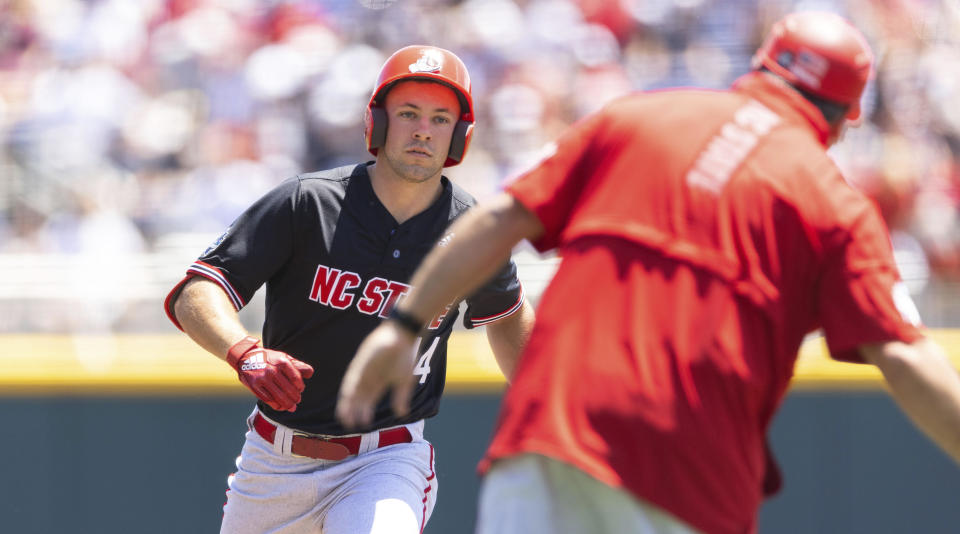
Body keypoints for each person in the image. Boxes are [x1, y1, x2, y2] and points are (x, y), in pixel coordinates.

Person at [336, 12, 960, 534]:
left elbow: (501, 217)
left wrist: (404, 325)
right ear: (846, 116)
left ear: (762, 65)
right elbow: (904, 356)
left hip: (544, 443)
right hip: (688, 476)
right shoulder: (834, 202)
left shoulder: (637, 117)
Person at [164, 45, 534, 534]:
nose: (423, 129)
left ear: (459, 135)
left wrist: (556, 412)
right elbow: (199, 290)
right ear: (377, 123)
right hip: (273, 460)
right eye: (408, 113)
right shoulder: (308, 202)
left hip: (384, 457)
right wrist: (243, 353)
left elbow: (509, 322)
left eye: (441, 118)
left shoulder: (472, 232)